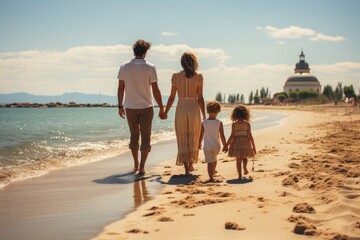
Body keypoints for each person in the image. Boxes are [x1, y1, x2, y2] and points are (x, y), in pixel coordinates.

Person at [117, 39, 164, 176]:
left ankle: (136, 163)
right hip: (146, 107)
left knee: (134, 135)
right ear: (145, 52)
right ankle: (142, 167)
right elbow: (156, 90)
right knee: (145, 136)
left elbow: (121, 88)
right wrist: (161, 107)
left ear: (134, 51)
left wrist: (120, 105)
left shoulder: (124, 66)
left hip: (130, 106)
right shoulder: (150, 67)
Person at [162, 52, 206, 175]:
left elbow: (171, 97)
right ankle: (191, 163)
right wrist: (204, 114)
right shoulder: (198, 77)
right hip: (193, 107)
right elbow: (200, 98)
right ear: (194, 63)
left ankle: (186, 168)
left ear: (182, 63)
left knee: (182, 136)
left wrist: (165, 111)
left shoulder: (176, 77)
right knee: (193, 135)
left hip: (181, 107)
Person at [198, 100, 227, 182]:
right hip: (217, 146)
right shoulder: (219, 122)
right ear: (218, 111)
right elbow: (222, 136)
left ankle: (211, 177)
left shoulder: (204, 122)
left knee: (209, 162)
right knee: (214, 159)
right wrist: (225, 145)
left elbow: (201, 135)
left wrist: (199, 143)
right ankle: (213, 171)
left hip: (207, 146)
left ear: (207, 111)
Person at [226, 104, 256, 179]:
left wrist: (226, 145)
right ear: (246, 114)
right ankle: (245, 167)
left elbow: (232, 136)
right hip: (246, 141)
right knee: (245, 157)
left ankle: (239, 175)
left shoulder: (234, 124)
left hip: (237, 142)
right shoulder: (247, 124)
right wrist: (253, 147)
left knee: (238, 159)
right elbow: (250, 136)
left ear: (235, 115)